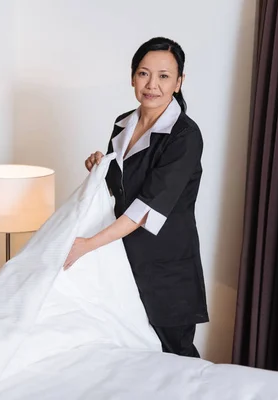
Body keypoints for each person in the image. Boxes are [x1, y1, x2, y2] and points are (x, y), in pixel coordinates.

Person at [63, 37, 208, 357]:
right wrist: (100, 167)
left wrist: (87, 244)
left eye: (164, 76)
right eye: (144, 73)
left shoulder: (185, 136)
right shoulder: (123, 124)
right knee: (134, 354)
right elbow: (121, 189)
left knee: (175, 355)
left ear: (179, 82)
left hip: (166, 268)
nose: (152, 84)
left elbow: (147, 208)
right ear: (132, 77)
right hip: (123, 260)